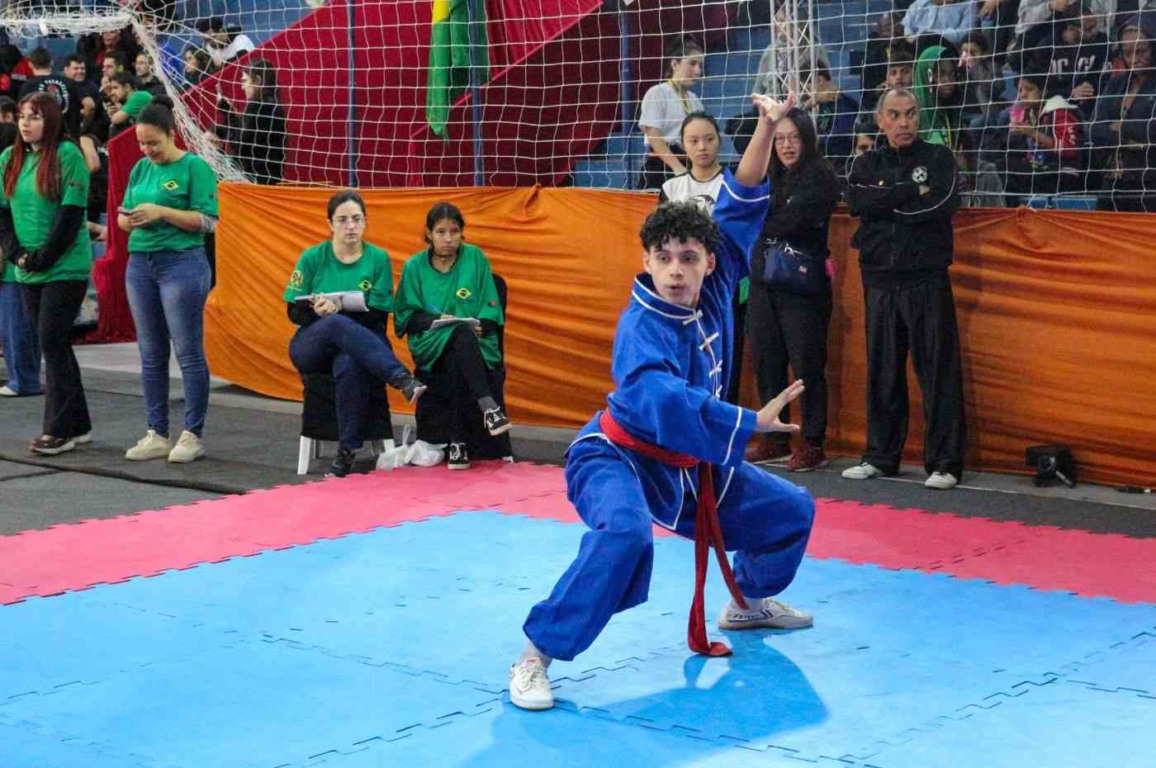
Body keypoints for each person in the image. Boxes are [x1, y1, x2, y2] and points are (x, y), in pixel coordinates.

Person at [509, 92, 816, 713]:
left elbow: (743, 198)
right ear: (646, 261)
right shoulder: (640, 328)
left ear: (710, 262)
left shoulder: (718, 278)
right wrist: (746, 422)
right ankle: (534, 655)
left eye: (688, 258)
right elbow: (658, 398)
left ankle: (747, 602)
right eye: (664, 259)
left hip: (689, 466)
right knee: (625, 538)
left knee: (793, 512)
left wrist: (765, 124)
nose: (676, 271)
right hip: (615, 457)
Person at [844, 87, 965, 490]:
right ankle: (881, 456)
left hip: (925, 278)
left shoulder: (939, 158)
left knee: (937, 371)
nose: (904, 123)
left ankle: (944, 462)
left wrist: (886, 202)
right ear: (881, 121)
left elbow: (942, 204)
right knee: (883, 372)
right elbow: (858, 202)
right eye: (894, 115)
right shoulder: (866, 162)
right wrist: (911, 191)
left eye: (911, 114)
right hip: (878, 279)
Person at [285, 190, 426, 478]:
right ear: (330, 224)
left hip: (364, 342)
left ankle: (346, 453)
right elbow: (293, 311)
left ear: (365, 223)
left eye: (356, 219)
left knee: (349, 363)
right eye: (343, 220)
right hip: (313, 344)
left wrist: (341, 308)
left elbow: (378, 313)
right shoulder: (312, 257)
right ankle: (401, 378)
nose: (350, 226)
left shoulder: (377, 259)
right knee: (335, 324)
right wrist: (320, 310)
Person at [116, 97, 218, 463]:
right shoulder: (140, 170)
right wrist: (132, 219)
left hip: (182, 264)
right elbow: (122, 217)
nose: (148, 150)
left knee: (188, 351)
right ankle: (156, 431)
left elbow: (207, 222)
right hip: (141, 264)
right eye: (142, 144)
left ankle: (192, 433)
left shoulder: (195, 167)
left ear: (171, 135)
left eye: (154, 143)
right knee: (150, 352)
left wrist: (161, 212)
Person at [745, 108, 839, 471]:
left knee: (807, 367)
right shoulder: (768, 174)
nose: (786, 145)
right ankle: (774, 437)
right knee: (767, 362)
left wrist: (760, 223)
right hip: (763, 283)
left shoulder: (821, 177)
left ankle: (813, 442)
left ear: (807, 139)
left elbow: (790, 222)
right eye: (779, 138)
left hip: (802, 287)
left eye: (793, 138)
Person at [0, 93, 93, 455]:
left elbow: (70, 216)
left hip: (65, 267)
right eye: (23, 116)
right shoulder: (8, 159)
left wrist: (43, 257)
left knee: (51, 341)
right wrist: (18, 254)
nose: (25, 123)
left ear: (51, 120)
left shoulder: (68, 156)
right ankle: (79, 424)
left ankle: (59, 430)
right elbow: (3, 214)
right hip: (26, 267)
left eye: (35, 117)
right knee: (55, 344)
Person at [393, 202, 511, 470]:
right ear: (429, 234)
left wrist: (484, 325)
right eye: (441, 232)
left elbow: (491, 306)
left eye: (455, 232)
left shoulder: (476, 258)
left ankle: (457, 442)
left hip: (474, 341)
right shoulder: (414, 267)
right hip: (430, 342)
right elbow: (405, 316)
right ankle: (490, 409)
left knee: (460, 343)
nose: (448, 239)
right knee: (457, 333)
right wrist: (435, 320)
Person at [658, 111, 748, 407]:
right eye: (693, 140)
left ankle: (722, 427)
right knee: (684, 357)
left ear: (719, 141)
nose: (702, 147)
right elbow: (660, 242)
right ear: (682, 145)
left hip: (726, 290)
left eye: (708, 139)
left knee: (723, 359)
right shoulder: (672, 189)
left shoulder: (735, 185)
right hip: (681, 293)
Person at [637, 36, 705, 190]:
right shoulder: (657, 93)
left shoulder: (695, 101)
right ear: (675, 64)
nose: (698, 71)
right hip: (661, 164)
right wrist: (677, 168)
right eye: (692, 64)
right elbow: (654, 136)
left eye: (700, 65)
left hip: (690, 162)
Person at [215, 58, 287, 185]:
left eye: (245, 81)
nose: (242, 87)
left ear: (258, 80)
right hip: (271, 178)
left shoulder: (257, 106)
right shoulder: (274, 105)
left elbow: (239, 144)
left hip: (255, 181)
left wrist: (228, 112)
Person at [18, 47, 91, 141]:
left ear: (30, 64)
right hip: (70, 138)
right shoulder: (69, 82)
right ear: (51, 62)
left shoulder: (28, 86)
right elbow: (90, 104)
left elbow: (22, 112)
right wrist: (82, 127)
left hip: (43, 140)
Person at [107, 73, 153, 139]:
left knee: (115, 128)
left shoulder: (138, 96)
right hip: (149, 133)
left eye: (115, 88)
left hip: (156, 132)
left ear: (127, 87)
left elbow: (115, 119)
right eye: (112, 88)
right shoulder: (129, 101)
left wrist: (116, 108)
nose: (112, 92)